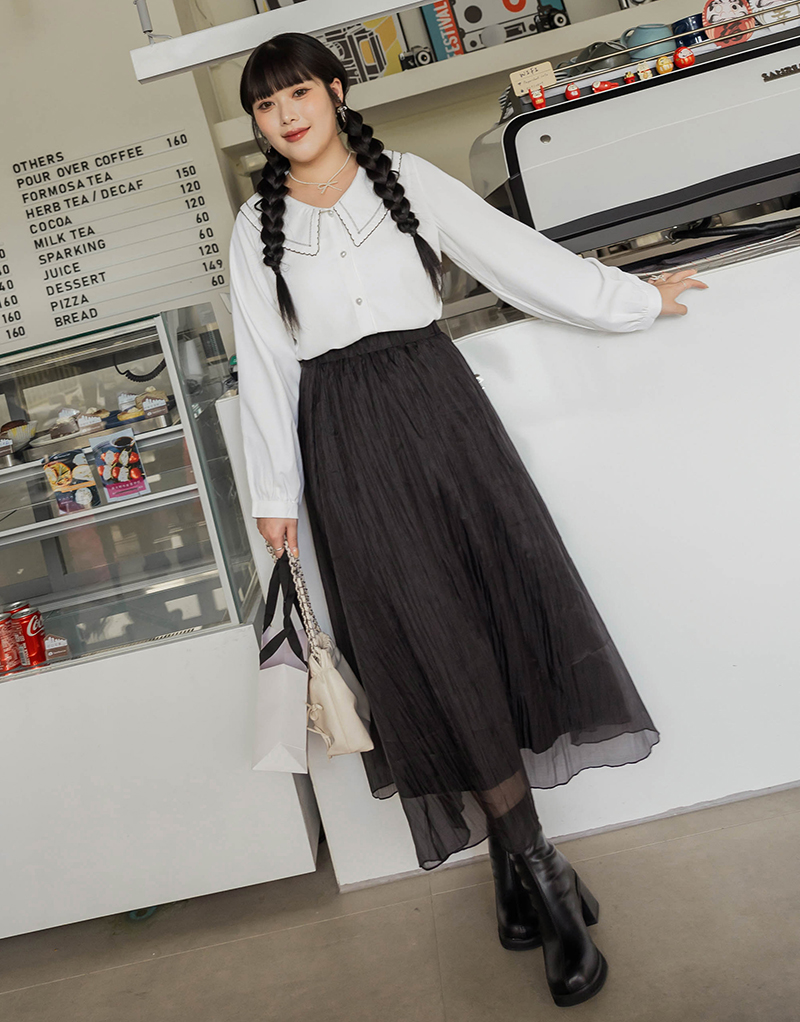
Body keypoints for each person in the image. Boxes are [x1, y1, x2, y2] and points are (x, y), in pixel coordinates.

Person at [229, 32, 709, 1008]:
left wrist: (634, 299)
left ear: (335, 92)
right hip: (347, 445)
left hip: (443, 416)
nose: (284, 116)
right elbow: (265, 365)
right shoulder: (254, 227)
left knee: (494, 619)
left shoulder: (405, 178)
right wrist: (274, 497)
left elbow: (516, 260)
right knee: (432, 645)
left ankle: (512, 864)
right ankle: (544, 875)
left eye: (297, 94)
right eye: (264, 106)